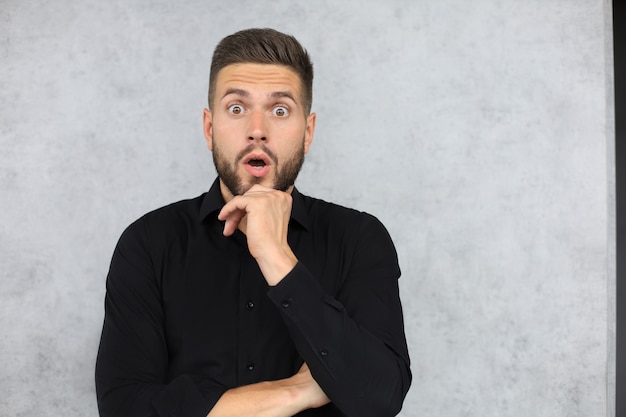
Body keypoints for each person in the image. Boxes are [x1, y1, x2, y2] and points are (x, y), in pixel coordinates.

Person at [95, 28, 411, 417]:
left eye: (280, 110)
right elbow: (124, 408)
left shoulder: (360, 240)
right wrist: (297, 392)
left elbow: (379, 398)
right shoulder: (148, 244)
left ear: (307, 132)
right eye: (237, 108)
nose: (257, 129)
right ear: (210, 128)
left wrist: (276, 256)